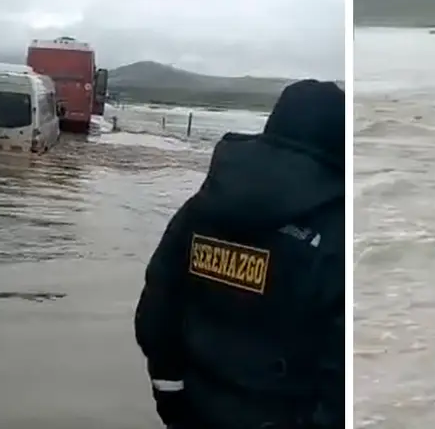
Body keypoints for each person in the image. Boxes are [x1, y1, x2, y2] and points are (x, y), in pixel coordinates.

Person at [135, 79, 345, 429]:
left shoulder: (201, 207)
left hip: (192, 408)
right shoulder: (337, 230)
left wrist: (169, 393)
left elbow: (157, 309)